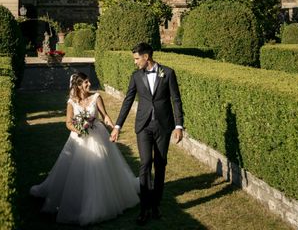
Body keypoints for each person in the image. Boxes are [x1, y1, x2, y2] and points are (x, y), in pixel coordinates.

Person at [30, 72, 139, 226]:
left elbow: (105, 116)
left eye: (89, 81)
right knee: (76, 169)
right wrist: (79, 130)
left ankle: (102, 202)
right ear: (78, 85)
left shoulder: (96, 97)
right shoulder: (71, 102)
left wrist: (114, 129)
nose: (89, 84)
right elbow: (68, 123)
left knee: (100, 168)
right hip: (79, 139)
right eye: (86, 82)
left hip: (98, 136)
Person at [110, 42, 185, 226]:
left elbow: (176, 100)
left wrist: (179, 126)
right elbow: (128, 101)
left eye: (137, 58)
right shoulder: (136, 76)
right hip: (143, 126)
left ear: (146, 57)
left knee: (160, 165)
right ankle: (144, 209)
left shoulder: (168, 73)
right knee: (145, 164)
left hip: (164, 126)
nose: (135, 62)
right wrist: (117, 126)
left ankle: (155, 205)